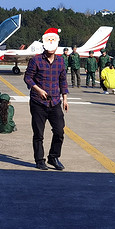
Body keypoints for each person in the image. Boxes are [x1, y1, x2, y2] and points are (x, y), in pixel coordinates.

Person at [24, 28, 69, 170]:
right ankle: (39, 160)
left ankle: (53, 157)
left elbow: (63, 80)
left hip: (55, 101)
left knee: (59, 131)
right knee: (38, 133)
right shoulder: (36, 60)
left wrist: (65, 98)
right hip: (38, 102)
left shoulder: (61, 61)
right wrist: (38, 89)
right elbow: (28, 77)